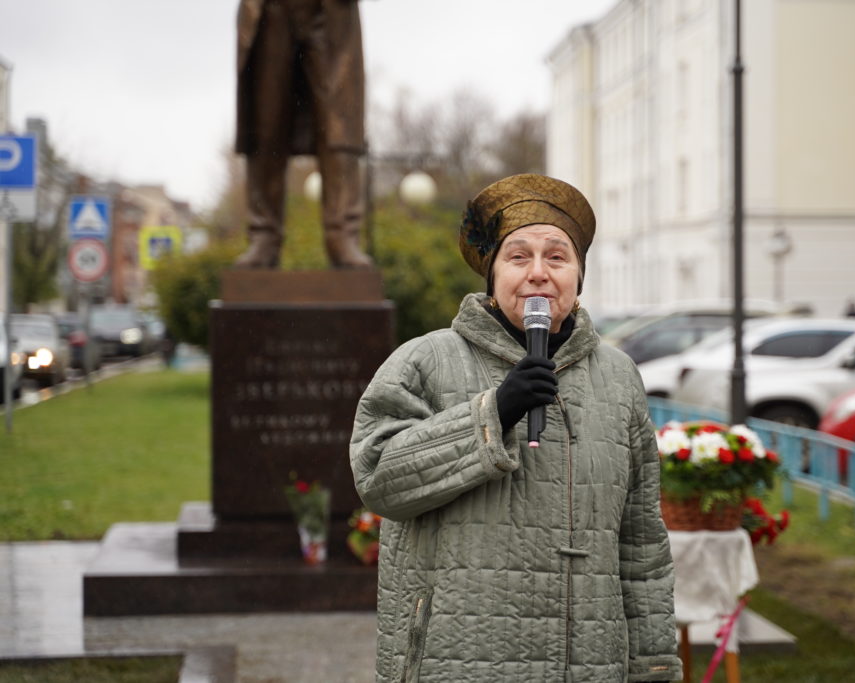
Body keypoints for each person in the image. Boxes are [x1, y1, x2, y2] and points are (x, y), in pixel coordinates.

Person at [350, 174, 682, 682]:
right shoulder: (425, 360)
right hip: (455, 659)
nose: (538, 274)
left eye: (556, 257)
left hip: (590, 662)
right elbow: (378, 478)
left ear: (578, 274)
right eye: (518, 256)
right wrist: (494, 413)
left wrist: (654, 669)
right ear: (492, 273)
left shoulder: (618, 377)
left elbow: (641, 546)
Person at [234, 0, 370, 268]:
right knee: (265, 122)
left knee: (339, 123)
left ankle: (342, 235)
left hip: (331, 9)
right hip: (271, 8)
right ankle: (264, 236)